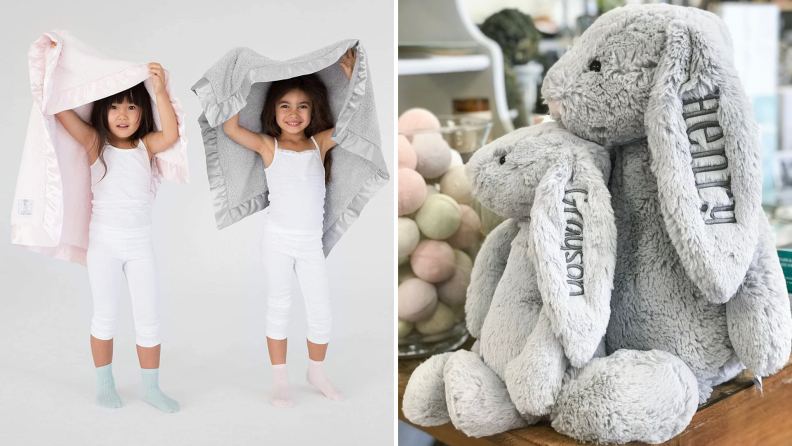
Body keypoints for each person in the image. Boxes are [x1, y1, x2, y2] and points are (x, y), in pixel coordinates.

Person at [221, 48, 357, 408]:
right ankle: (280, 380)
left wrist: (351, 76)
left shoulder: (319, 143)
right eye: (285, 105)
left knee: (320, 310)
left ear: (313, 111)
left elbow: (353, 121)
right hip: (277, 242)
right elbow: (230, 127)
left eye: (302, 106)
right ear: (272, 111)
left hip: (309, 244)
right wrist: (241, 81)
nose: (293, 114)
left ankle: (316, 371)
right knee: (279, 307)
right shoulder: (269, 146)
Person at [55, 61, 180, 413]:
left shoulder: (146, 146)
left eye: (131, 106)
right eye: (113, 106)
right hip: (105, 245)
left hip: (140, 245)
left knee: (148, 317)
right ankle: (105, 384)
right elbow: (61, 109)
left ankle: (152, 388)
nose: (122, 114)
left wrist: (159, 90)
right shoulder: (96, 142)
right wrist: (57, 68)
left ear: (143, 113)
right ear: (101, 111)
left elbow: (170, 134)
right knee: (105, 316)